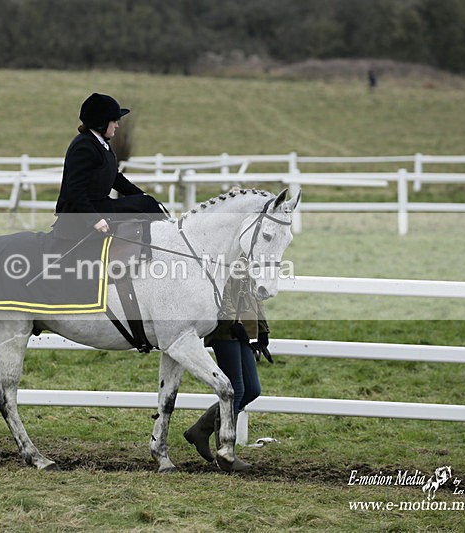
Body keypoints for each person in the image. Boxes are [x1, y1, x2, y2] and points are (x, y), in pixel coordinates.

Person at [184, 261, 271, 471]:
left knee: (252, 389)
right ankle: (225, 454)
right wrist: (234, 322)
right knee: (236, 390)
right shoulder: (225, 254)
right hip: (225, 329)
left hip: (244, 331)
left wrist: (262, 328)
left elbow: (255, 294)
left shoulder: (251, 257)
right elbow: (221, 292)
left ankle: (201, 429)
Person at [52, 92, 164, 241]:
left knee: (147, 202)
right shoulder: (84, 146)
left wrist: (140, 195)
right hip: (81, 213)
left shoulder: (100, 143)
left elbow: (116, 178)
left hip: (101, 205)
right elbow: (75, 190)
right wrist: (94, 220)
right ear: (102, 122)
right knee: (146, 203)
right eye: (114, 121)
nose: (117, 125)